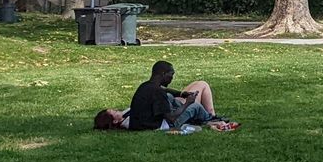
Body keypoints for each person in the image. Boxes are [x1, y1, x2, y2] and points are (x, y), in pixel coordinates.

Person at [93, 60, 234, 132]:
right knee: (195, 107)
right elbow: (172, 118)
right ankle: (211, 119)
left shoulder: (147, 87)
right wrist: (187, 103)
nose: (171, 79)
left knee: (172, 98)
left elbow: (164, 90)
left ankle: (207, 119)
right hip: (166, 124)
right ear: (162, 75)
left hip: (156, 117)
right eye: (170, 75)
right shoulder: (154, 92)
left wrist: (180, 93)